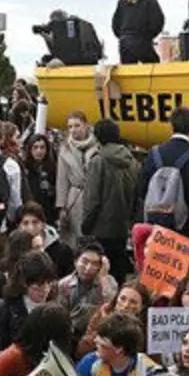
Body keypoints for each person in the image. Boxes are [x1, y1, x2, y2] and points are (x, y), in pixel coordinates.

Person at [138, 106, 189, 238]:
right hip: (185, 226)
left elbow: (142, 189)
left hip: (156, 224)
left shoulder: (154, 153)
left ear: (171, 125)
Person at [82, 119, 139, 282]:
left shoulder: (98, 161)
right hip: (122, 225)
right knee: (118, 270)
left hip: (100, 226)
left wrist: (86, 224)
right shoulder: (132, 162)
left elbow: (92, 198)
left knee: (100, 273)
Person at [56, 239, 118, 339]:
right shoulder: (64, 284)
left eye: (95, 264)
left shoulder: (109, 282)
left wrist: (103, 277)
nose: (88, 268)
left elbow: (112, 306)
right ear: (76, 262)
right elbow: (60, 317)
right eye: (84, 262)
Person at [78, 279, 150, 358]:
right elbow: (82, 350)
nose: (125, 305)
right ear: (116, 299)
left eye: (133, 302)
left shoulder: (147, 326)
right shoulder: (102, 314)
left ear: (142, 307)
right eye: (122, 299)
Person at [56, 112, 97, 247]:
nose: (73, 130)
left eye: (77, 125)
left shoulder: (98, 146)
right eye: (70, 127)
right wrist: (61, 207)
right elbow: (62, 179)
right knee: (75, 237)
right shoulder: (65, 149)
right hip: (75, 196)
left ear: (85, 125)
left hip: (94, 195)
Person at [111, 0, 165, 64]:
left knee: (129, 74)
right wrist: (149, 36)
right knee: (153, 66)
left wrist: (122, 36)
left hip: (124, 43)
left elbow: (115, 23)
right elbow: (158, 21)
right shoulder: (150, 0)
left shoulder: (122, 1)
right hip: (142, 40)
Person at [23, 133, 58, 223]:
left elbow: (59, 190)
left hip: (48, 213)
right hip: (29, 213)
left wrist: (51, 189)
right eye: (35, 147)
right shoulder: (24, 167)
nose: (39, 151)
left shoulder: (52, 167)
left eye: (42, 147)